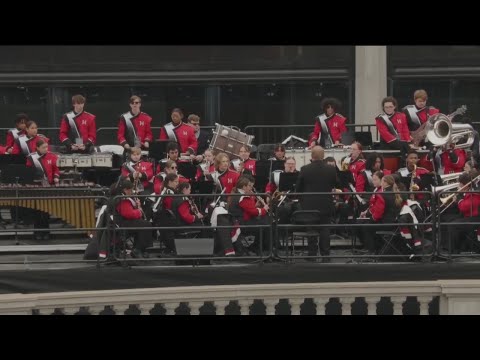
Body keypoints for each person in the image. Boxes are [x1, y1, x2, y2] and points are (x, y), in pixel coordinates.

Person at [295, 146, 337, 260]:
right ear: (323, 156)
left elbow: (298, 189)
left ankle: (312, 255)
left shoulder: (304, 169)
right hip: (326, 204)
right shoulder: (331, 169)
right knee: (325, 230)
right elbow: (336, 184)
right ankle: (326, 255)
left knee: (311, 230)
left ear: (311, 156)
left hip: (309, 205)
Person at [25, 139, 60, 240]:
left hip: (48, 187)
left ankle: (46, 232)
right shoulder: (31, 158)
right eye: (44, 147)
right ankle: (37, 233)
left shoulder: (52, 156)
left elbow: (56, 169)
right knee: (36, 211)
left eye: (47, 147)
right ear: (37, 148)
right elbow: (28, 172)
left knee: (45, 212)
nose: (46, 149)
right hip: (36, 187)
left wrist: (56, 177)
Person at [115, 179, 153, 258]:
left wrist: (136, 206)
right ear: (125, 190)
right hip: (122, 224)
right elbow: (129, 214)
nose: (132, 191)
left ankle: (140, 248)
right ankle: (138, 249)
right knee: (145, 225)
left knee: (143, 224)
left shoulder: (123, 197)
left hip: (125, 222)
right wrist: (138, 210)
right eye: (130, 190)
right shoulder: (123, 199)